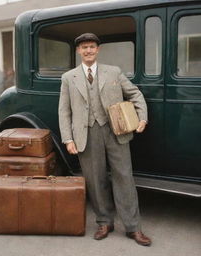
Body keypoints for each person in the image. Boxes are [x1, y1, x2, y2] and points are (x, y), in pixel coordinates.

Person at [58, 33, 151, 246]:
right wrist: (67, 139)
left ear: (98, 50)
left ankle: (133, 228)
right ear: (78, 51)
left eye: (92, 47)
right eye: (84, 47)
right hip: (86, 134)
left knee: (124, 178)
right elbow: (64, 111)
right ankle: (104, 222)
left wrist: (142, 117)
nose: (88, 50)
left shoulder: (114, 72)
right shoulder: (68, 78)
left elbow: (135, 94)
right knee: (95, 180)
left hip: (115, 131)